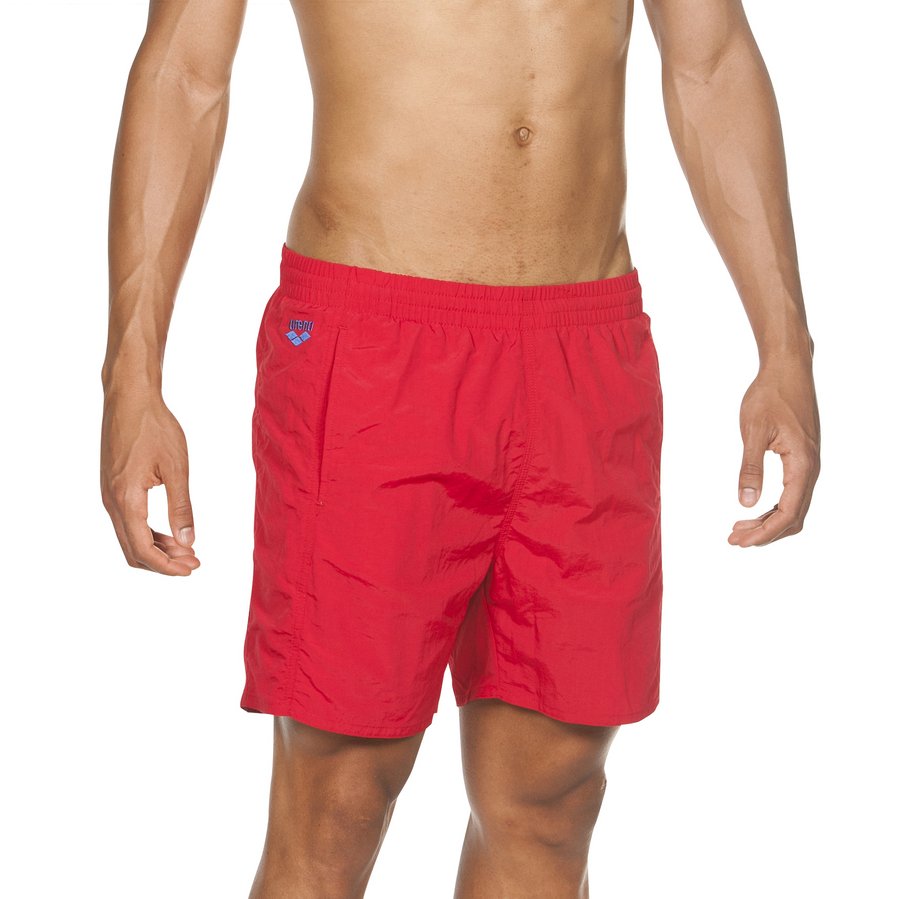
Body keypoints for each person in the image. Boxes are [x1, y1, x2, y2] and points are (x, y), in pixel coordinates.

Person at [99, 1, 820, 896]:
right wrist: (132, 377)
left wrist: (784, 347)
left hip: (583, 346)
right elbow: (183, 71)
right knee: (340, 796)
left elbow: (710, 61)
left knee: (551, 799)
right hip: (372, 345)